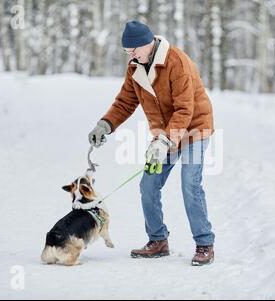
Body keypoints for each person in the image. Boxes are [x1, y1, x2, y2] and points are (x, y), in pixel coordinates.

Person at [88, 20, 215, 266]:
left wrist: (165, 140)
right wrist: (105, 124)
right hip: (164, 136)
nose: (131, 56)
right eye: (127, 52)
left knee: (190, 183)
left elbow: (184, 109)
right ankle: (158, 240)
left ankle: (204, 243)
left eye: (134, 50)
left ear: (148, 43)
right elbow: (125, 101)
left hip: (194, 128)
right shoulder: (136, 67)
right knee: (148, 185)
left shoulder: (176, 62)